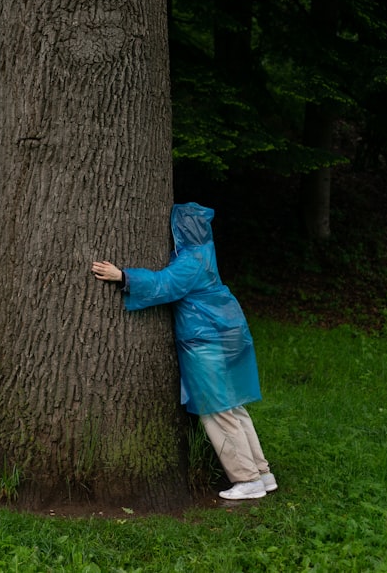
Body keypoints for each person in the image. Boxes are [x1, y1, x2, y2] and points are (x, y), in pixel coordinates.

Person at [91, 202, 277, 501]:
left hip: (207, 340)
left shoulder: (191, 260)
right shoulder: (204, 254)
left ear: (181, 230)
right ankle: (262, 474)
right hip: (224, 333)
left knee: (215, 410)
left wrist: (123, 277)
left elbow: (166, 284)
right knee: (233, 407)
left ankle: (247, 479)